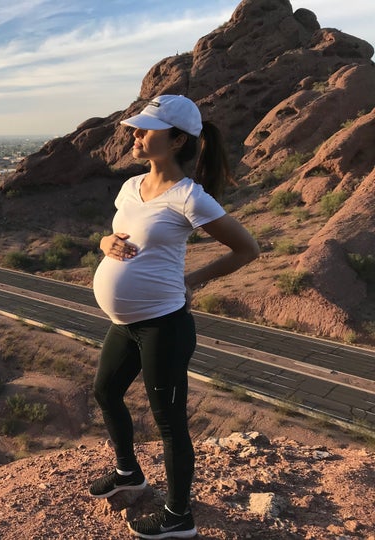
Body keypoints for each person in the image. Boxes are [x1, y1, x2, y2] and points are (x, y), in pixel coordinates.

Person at [88, 94, 259, 539]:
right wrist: (105, 245)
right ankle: (129, 474)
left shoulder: (189, 197)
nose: (136, 135)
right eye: (136, 128)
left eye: (146, 129)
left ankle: (179, 516)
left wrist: (193, 280)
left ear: (178, 139)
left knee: (169, 422)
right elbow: (117, 234)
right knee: (105, 391)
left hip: (165, 324)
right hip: (127, 324)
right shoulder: (131, 187)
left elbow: (247, 249)